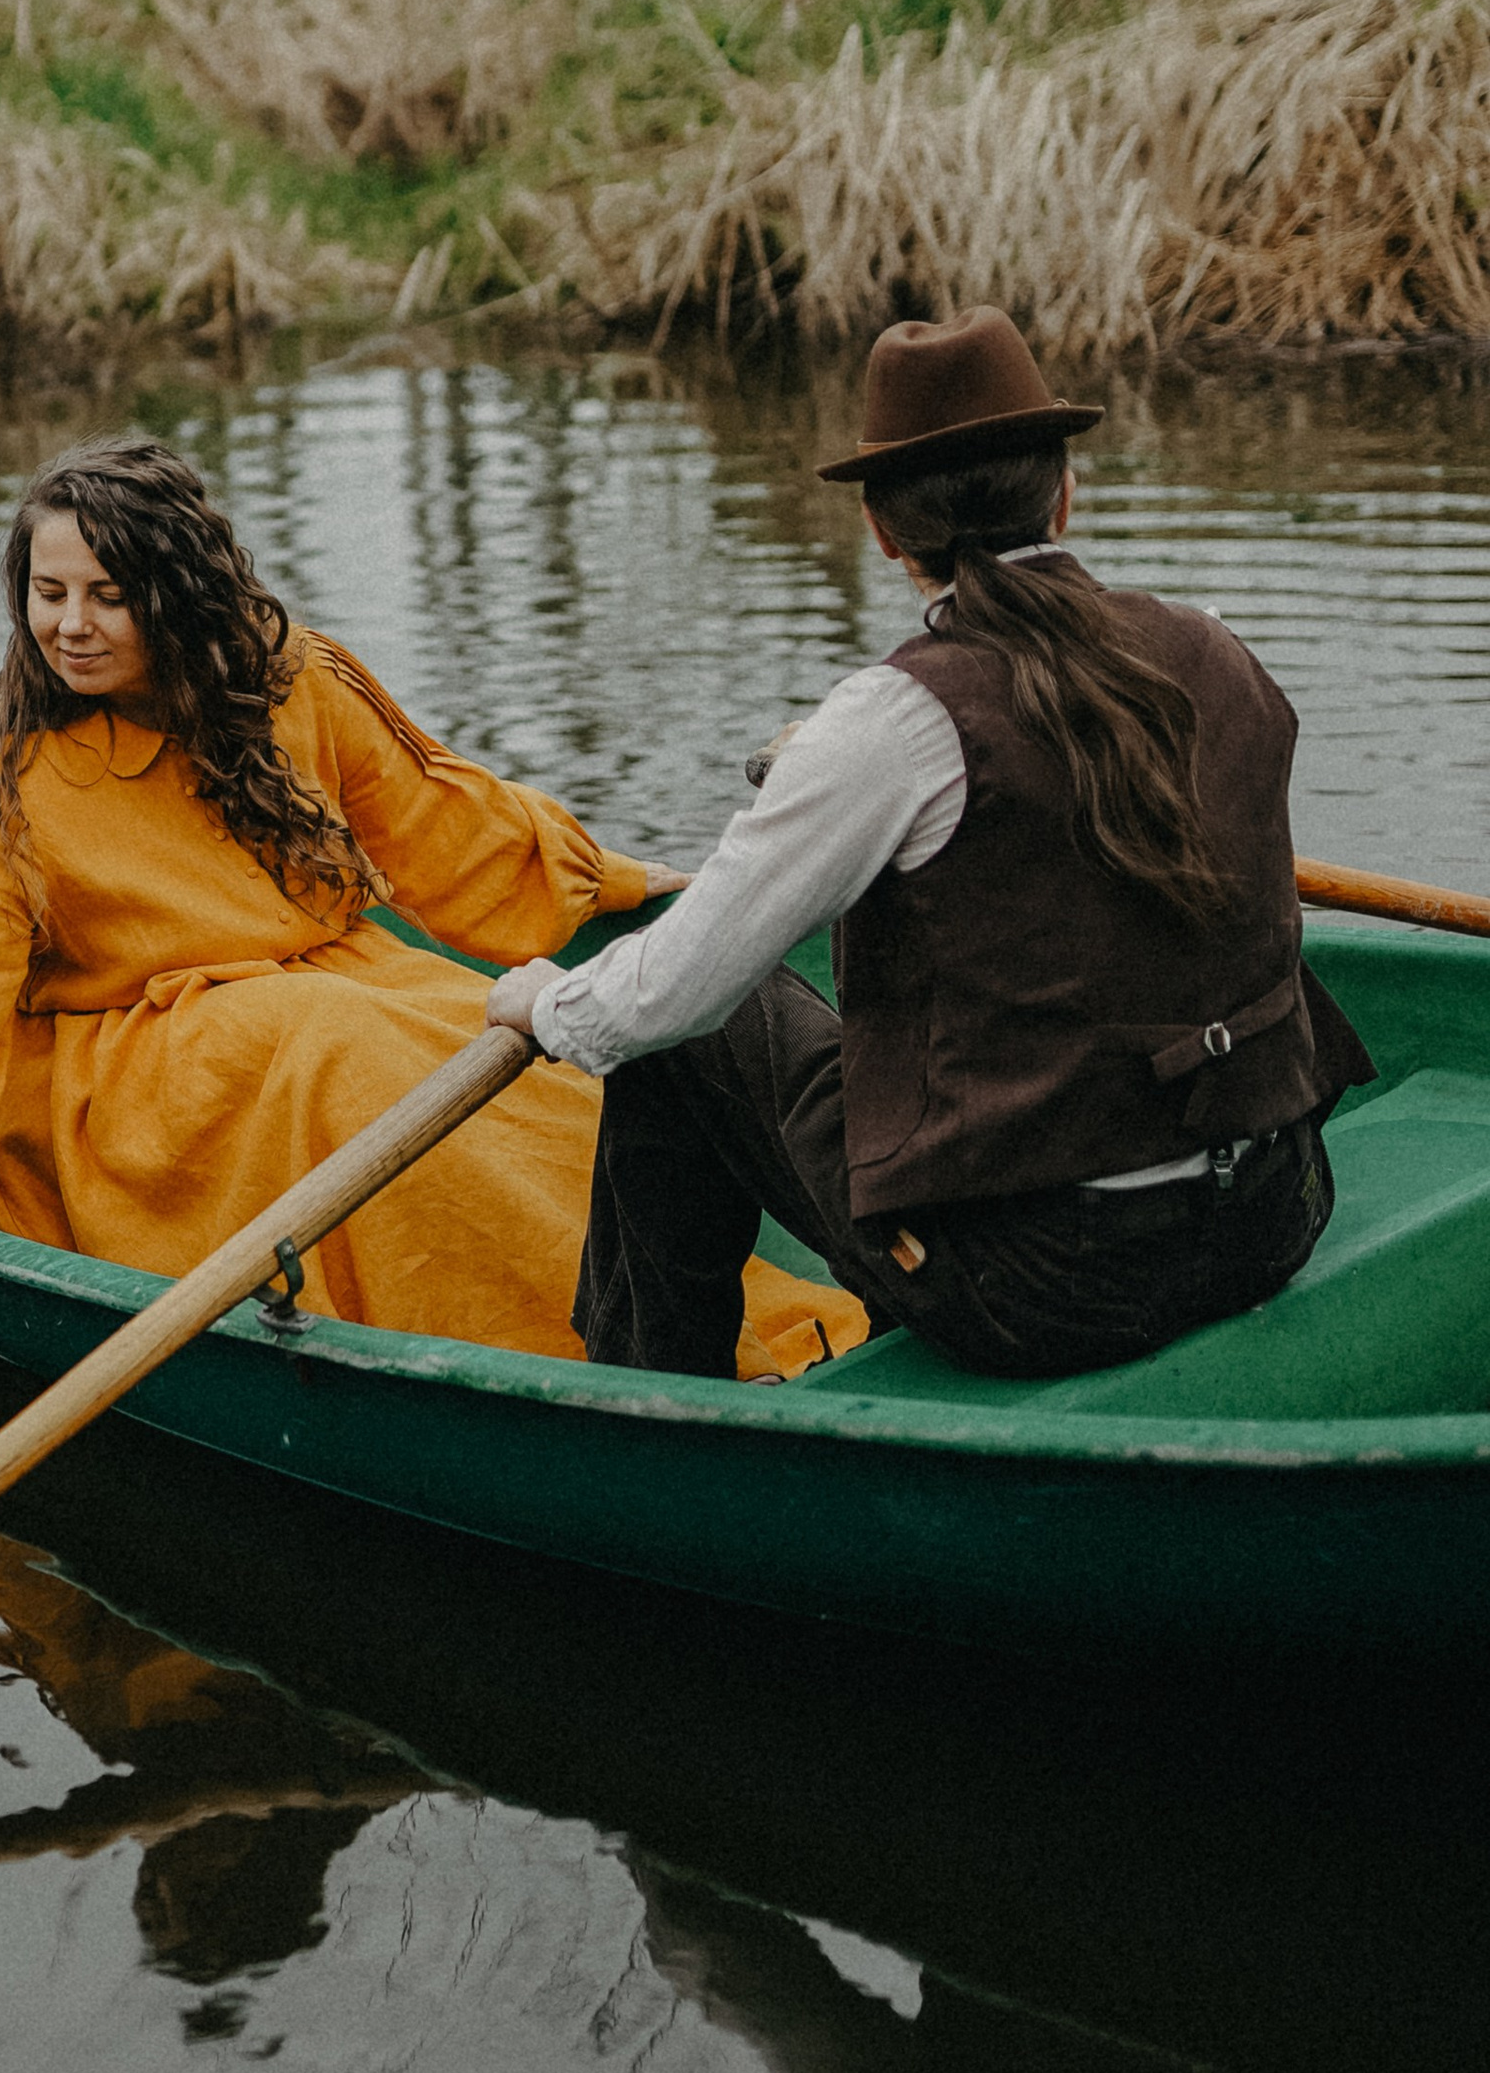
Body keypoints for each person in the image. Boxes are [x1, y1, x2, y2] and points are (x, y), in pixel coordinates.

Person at [0, 436, 860, 1380]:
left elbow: (443, 821)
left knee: (513, 1042)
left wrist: (615, 885)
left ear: (174, 592)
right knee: (335, 1050)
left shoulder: (293, 677)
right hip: (130, 1067)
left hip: (334, 987)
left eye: (107, 595)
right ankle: (555, 1350)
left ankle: (674, 1326)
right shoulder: (12, 790)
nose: (70, 627)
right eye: (48, 595)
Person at [488, 308, 1373, 1383]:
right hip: (1272, 1214)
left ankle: (650, 1398)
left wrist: (545, 1006)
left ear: (881, 530)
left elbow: (666, 998)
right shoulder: (1213, 648)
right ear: (1063, 491)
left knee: (685, 1038)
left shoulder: (888, 724)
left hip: (1043, 1289)